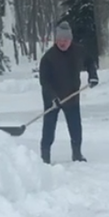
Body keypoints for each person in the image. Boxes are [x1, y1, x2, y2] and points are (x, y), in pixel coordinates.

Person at [38, 21, 99, 164]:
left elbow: (90, 61)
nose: (62, 43)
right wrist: (52, 97)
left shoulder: (79, 51)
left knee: (75, 126)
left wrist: (93, 75)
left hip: (71, 95)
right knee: (49, 127)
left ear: (70, 40)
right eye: (59, 40)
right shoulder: (48, 58)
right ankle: (45, 156)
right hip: (52, 98)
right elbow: (44, 81)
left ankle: (77, 153)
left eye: (65, 40)